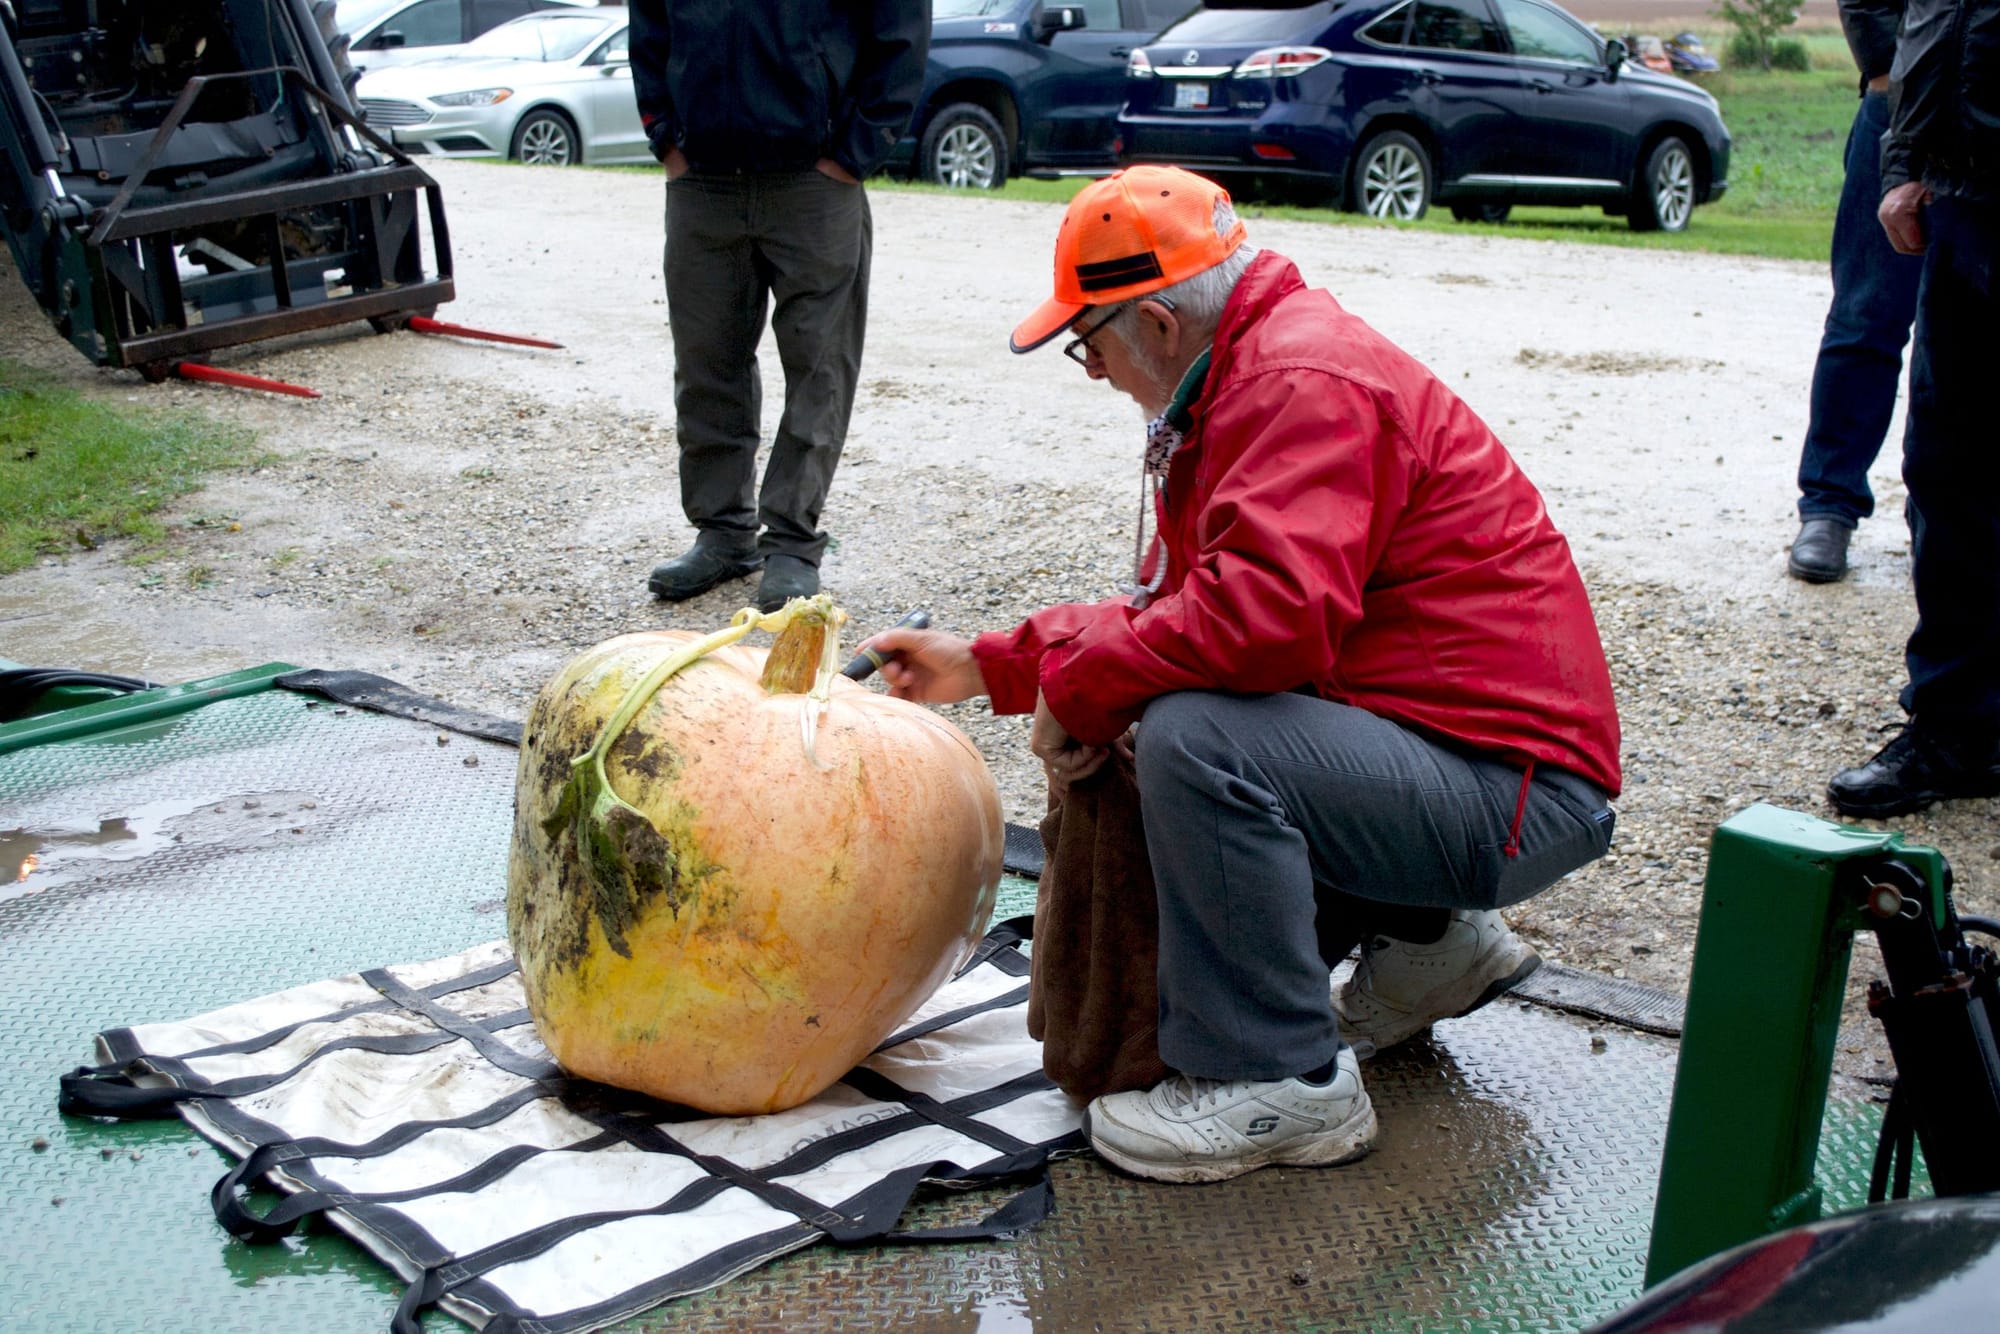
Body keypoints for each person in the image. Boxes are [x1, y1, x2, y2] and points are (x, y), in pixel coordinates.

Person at [862, 167, 1621, 1184]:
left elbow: (1261, 626)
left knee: (1198, 736)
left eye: (1089, 342)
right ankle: (1433, 942)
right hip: (1478, 764)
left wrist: (1082, 690)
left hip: (1513, 793)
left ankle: (1279, 1080)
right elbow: (1190, 607)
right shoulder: (1255, 368)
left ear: (1158, 323)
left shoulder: (1295, 383)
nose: (1092, 371)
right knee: (1203, 706)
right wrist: (994, 662)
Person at [627, 2, 927, 613]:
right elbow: (649, 29)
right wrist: (666, 139)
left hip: (814, 183)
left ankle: (791, 540)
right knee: (707, 362)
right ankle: (723, 532)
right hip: (703, 180)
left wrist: (854, 153)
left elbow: (899, 36)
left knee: (819, 368)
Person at [1826, 0, 2000, 817]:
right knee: (1947, 471)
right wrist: (1903, 159)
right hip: (1961, 195)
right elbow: (1936, 12)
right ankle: (1958, 729)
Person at [1786, 0, 1921, 584]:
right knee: (1865, 315)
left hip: (1986, 113)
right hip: (1900, 103)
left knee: (1970, 327)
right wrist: (1889, 71)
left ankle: (1945, 517)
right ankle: (1829, 503)